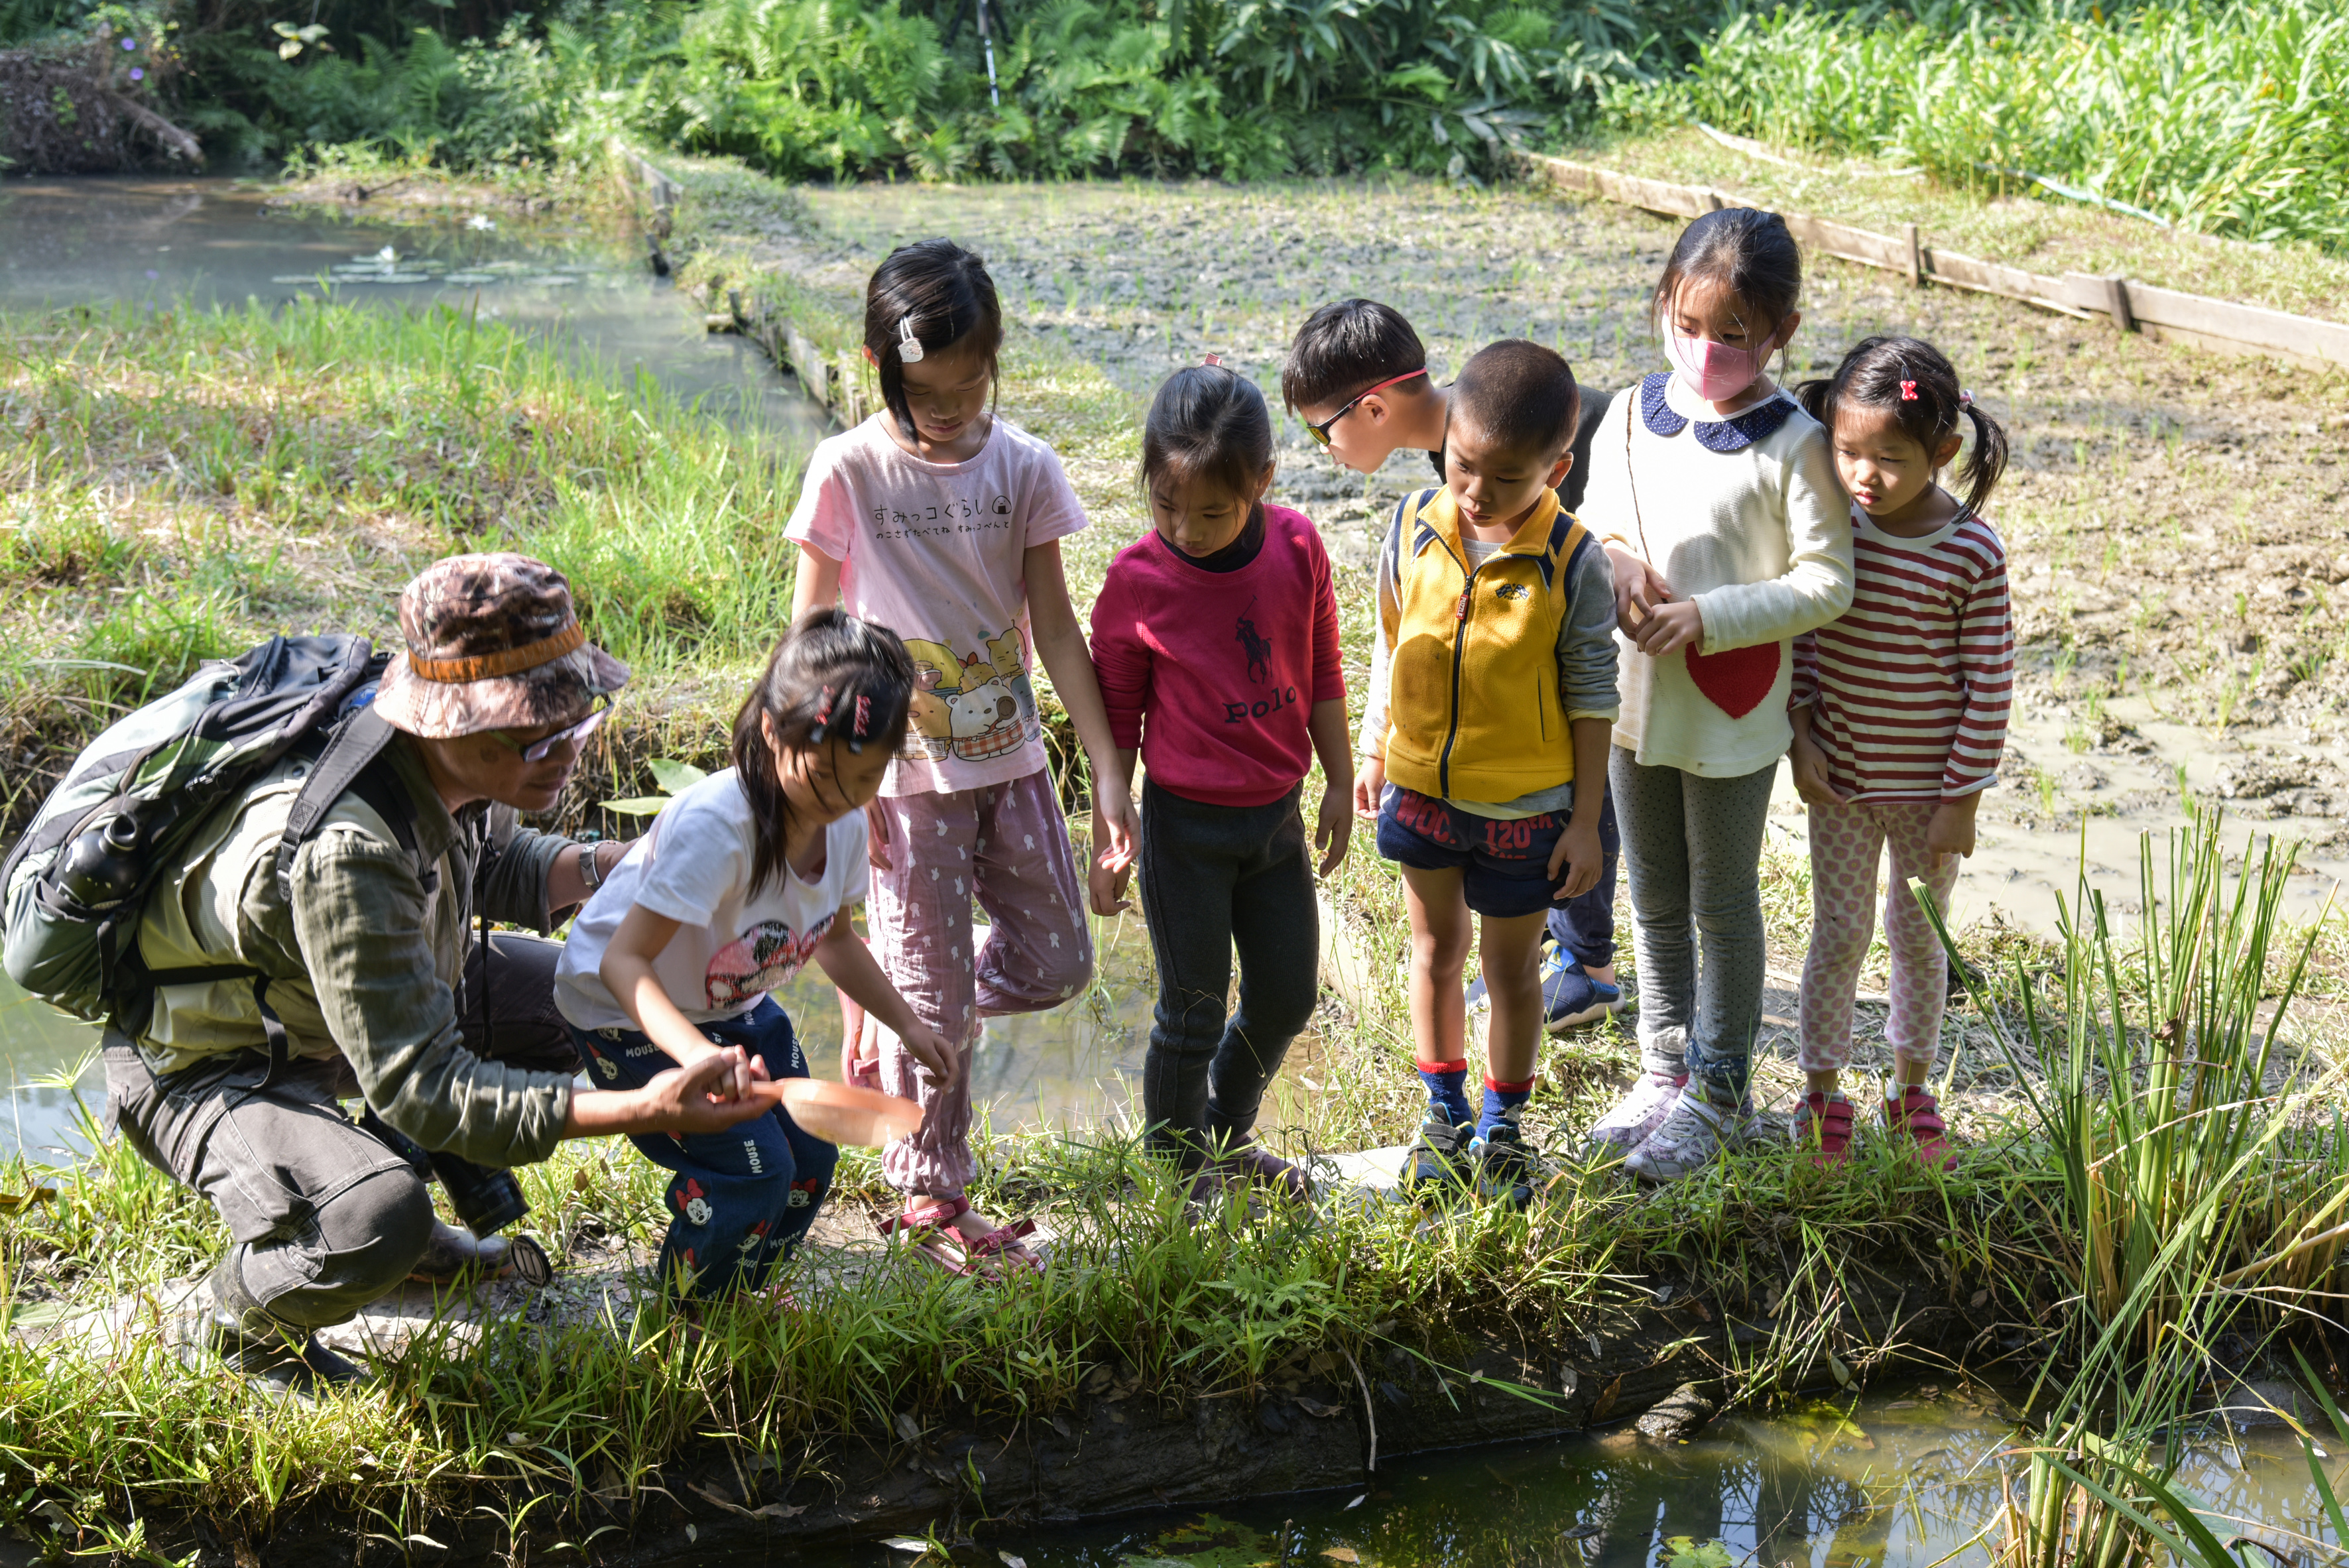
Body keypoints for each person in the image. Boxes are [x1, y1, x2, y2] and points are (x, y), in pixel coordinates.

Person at [101, 554, 776, 1396]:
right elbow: (426, 1088)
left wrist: (623, 864)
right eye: (538, 735)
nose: (566, 752)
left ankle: (383, 1211)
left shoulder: (434, 764)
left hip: (326, 1016)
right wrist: (644, 1107)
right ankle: (243, 1319)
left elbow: (489, 862)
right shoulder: (348, 849)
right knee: (372, 1218)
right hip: (207, 1063)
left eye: (578, 724)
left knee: (571, 999)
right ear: (452, 721)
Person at [786, 238, 1134, 1272]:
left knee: (1060, 959)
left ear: (994, 361)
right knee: (933, 1000)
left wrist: (1107, 768)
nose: (946, 411)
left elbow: (1057, 629)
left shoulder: (1023, 466)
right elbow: (809, 637)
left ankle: (897, 1015)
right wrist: (823, 789)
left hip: (1013, 762)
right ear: (874, 365)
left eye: (967, 385)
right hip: (899, 781)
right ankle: (928, 1198)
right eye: (923, 394)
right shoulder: (848, 468)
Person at [554, 612, 960, 1288]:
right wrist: (699, 1058)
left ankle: (739, 1293)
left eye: (863, 782)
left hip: (729, 1005)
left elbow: (834, 940)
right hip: (624, 1012)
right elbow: (624, 961)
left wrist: (909, 1026)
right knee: (751, 1169)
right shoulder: (720, 831)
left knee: (809, 1162)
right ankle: (691, 1316)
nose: (839, 797)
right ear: (772, 729)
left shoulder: (845, 828)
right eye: (823, 773)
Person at [1577, 208, 1854, 1182]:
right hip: (1631, 700)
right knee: (1649, 890)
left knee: (1722, 901)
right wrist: (1613, 564)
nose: (1705, 351)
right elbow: (1592, 525)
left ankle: (1722, 1088)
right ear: (1662, 304)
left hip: (1733, 713)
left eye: (1733, 335)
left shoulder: (1793, 442)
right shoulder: (1623, 413)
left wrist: (1709, 616)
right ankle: (1663, 1065)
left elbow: (1827, 581)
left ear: (1777, 332)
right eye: (1689, 325)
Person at [1282, 298, 1628, 1032]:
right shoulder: (1441, 492)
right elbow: (1400, 633)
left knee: (1586, 767)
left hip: (1600, 639)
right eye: (1466, 469)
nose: (1324, 449)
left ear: (1372, 409)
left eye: (1324, 429)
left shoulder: (1496, 450)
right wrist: (1380, 741)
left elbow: (1589, 674)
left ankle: (1586, 958)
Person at [1352, 339, 1618, 1203]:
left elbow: (1590, 697)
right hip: (1421, 793)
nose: (1475, 493)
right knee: (1433, 952)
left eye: (1504, 479)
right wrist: (1371, 747)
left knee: (1510, 973)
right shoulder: (1411, 526)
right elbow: (1391, 645)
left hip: (1524, 810)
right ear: (1447, 441)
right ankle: (1441, 1114)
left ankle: (1503, 1127)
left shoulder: (1572, 559)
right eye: (1462, 465)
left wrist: (1582, 822)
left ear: (1556, 467)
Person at [1087, 361, 1352, 1203]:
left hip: (1274, 822)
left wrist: (1340, 781)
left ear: (1263, 482)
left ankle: (1226, 1136)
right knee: (1192, 1010)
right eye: (1166, 507)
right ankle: (1177, 1168)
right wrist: (1113, 818)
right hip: (1185, 833)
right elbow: (1117, 713)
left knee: (1287, 997)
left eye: (1211, 511)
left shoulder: (1297, 547)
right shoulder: (1138, 581)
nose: (1188, 530)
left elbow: (1322, 672)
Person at [1787, 337, 2013, 1168]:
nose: (1865, 475)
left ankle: (1911, 1090)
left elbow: (1989, 681)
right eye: (1847, 452)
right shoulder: (1832, 528)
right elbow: (1802, 641)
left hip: (1930, 793)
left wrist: (1963, 798)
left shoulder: (1970, 552)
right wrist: (1800, 736)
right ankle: (1820, 1094)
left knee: (1919, 936)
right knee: (1838, 932)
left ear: (1943, 452)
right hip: (1841, 781)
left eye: (1891, 457)